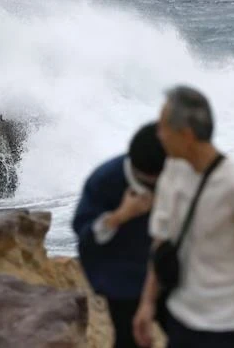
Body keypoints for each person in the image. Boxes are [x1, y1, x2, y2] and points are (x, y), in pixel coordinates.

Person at [133, 86, 234, 348]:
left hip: (230, 327)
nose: (159, 135)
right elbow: (160, 242)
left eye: (164, 127)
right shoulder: (171, 173)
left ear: (186, 135)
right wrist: (147, 302)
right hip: (182, 319)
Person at [73, 122, 167, 348]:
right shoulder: (105, 180)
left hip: (167, 270)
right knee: (130, 337)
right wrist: (121, 215)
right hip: (120, 275)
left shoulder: (178, 172)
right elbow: (85, 236)